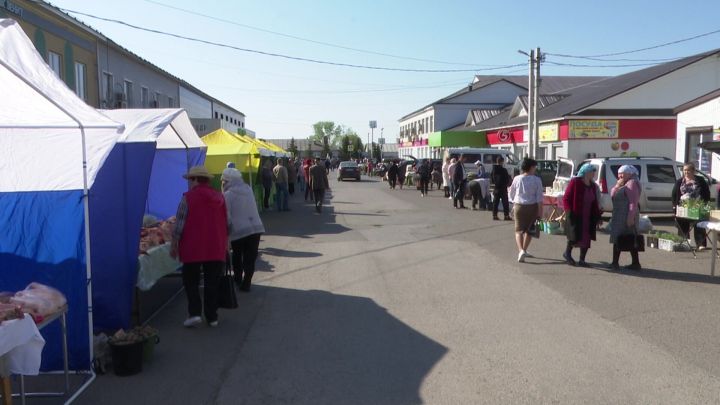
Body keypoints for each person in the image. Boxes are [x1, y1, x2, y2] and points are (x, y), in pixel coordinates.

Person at [171, 166, 228, 327]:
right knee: (212, 283)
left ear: (195, 179)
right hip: (216, 245)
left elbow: (179, 224)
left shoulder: (187, 198)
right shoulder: (219, 197)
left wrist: (174, 244)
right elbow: (227, 223)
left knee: (191, 281)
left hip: (192, 246)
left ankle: (195, 313)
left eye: (190, 179)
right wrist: (226, 243)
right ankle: (212, 317)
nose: (188, 183)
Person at [222, 168, 265, 292]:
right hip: (255, 227)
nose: (223, 183)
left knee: (237, 256)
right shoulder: (248, 189)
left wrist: (227, 232)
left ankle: (238, 279)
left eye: (224, 180)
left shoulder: (228, 195)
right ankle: (247, 282)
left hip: (239, 230)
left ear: (229, 181)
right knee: (250, 257)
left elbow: (227, 215)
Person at [562, 165, 602, 266]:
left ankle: (582, 259)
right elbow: (566, 198)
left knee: (587, 237)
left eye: (594, 172)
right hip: (576, 213)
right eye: (592, 171)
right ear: (586, 172)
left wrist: (598, 216)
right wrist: (568, 211)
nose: (594, 174)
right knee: (574, 235)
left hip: (588, 215)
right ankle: (567, 254)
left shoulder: (593, 185)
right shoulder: (575, 182)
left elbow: (595, 202)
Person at [508, 158, 544, 262]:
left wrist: (513, 202)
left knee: (518, 230)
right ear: (531, 167)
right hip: (532, 206)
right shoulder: (537, 180)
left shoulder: (517, 178)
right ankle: (523, 250)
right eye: (534, 167)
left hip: (519, 206)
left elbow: (511, 193)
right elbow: (539, 198)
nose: (535, 169)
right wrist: (540, 212)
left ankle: (521, 250)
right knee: (530, 230)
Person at [608, 165, 642, 271]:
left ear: (630, 173)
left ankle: (615, 263)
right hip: (620, 215)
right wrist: (617, 185)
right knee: (626, 238)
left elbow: (633, 202)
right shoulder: (623, 183)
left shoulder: (632, 183)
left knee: (623, 238)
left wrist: (630, 218)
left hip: (627, 215)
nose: (620, 175)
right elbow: (613, 196)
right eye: (619, 173)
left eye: (622, 173)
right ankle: (635, 263)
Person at [672, 163, 711, 250]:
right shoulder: (680, 181)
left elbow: (706, 193)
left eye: (688, 170)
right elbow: (674, 195)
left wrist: (705, 204)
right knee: (682, 223)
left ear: (693, 171)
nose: (686, 172)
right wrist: (674, 206)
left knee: (699, 224)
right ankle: (684, 243)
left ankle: (701, 244)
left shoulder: (700, 180)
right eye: (685, 170)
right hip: (683, 208)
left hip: (697, 207)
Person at [491, 156, 512, 221]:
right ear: (502, 162)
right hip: (503, 188)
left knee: (495, 202)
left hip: (496, 188)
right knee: (505, 203)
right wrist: (507, 183)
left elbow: (491, 179)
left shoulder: (493, 170)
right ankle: (506, 216)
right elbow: (507, 179)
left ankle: (494, 215)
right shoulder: (504, 170)